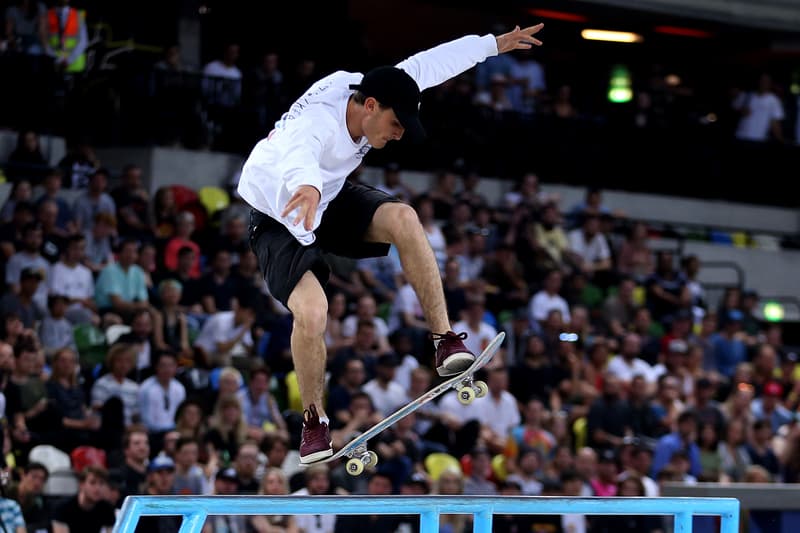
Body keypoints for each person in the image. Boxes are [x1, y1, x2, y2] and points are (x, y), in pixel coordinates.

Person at [238, 24, 544, 464]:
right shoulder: (315, 125)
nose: (398, 135)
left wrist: (492, 45)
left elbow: (428, 64)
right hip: (280, 213)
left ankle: (444, 340)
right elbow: (298, 153)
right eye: (395, 125)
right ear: (370, 107)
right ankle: (313, 421)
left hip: (328, 194)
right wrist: (306, 187)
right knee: (312, 311)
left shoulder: (372, 89)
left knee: (404, 217)